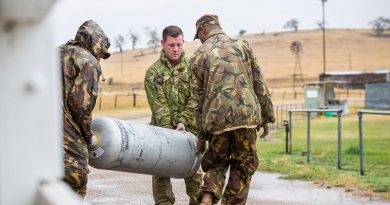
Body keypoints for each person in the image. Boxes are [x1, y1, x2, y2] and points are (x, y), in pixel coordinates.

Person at [182, 14, 275, 205]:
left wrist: (201, 136)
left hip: (216, 121)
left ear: (202, 30)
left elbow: (196, 101)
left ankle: (207, 197)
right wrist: (266, 117)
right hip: (246, 118)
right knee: (243, 166)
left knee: (217, 163)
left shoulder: (198, 56)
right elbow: (259, 83)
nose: (199, 39)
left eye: (198, 35)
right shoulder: (243, 45)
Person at [144, 25, 203, 205]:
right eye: (171, 45)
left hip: (190, 134)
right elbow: (159, 107)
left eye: (179, 44)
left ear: (183, 42)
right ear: (162, 43)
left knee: (195, 180)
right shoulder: (153, 73)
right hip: (162, 134)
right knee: (161, 177)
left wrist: (183, 123)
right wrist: (171, 132)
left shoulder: (194, 69)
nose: (175, 49)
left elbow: (196, 99)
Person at [60, 20, 111, 197]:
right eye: (100, 54)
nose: (99, 59)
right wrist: (88, 136)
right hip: (66, 133)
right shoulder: (87, 62)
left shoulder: (55, 53)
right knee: (76, 179)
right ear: (96, 44)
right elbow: (80, 104)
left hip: (36, 131)